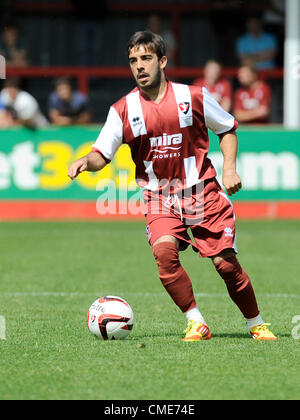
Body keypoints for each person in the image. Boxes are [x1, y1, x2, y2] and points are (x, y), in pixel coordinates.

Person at [68, 31, 277, 342]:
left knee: (225, 265)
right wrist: (87, 160)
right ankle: (196, 322)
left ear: (162, 61)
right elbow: (102, 153)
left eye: (146, 58)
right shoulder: (123, 110)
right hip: (158, 194)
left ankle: (256, 323)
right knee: (164, 253)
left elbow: (228, 128)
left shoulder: (192, 97)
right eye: (133, 60)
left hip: (202, 191)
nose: (139, 66)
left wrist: (230, 169)